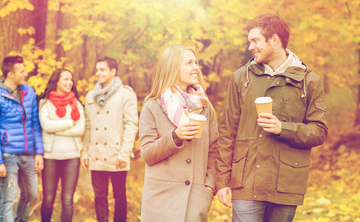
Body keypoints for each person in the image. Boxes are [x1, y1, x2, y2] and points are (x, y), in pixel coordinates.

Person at [216, 14, 328, 222]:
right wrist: (221, 180)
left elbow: (319, 132)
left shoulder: (309, 80)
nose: (250, 46)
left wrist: (283, 128)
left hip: (285, 184)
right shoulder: (241, 77)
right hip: (245, 183)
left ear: (274, 40)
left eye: (255, 40)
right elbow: (227, 132)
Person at [139, 45, 219, 222]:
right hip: (160, 201)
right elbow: (147, 154)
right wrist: (175, 137)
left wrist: (209, 186)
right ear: (173, 68)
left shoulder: (205, 107)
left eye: (196, 62)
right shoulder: (152, 107)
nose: (196, 67)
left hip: (195, 200)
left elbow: (214, 150)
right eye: (189, 63)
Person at [81, 57, 138, 222]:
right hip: (96, 153)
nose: (98, 73)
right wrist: (85, 152)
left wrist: (125, 152)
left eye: (102, 69)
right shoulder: (90, 96)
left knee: (119, 196)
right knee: (99, 196)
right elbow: (88, 127)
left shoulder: (126, 94)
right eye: (97, 69)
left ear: (113, 72)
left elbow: (131, 124)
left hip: (117, 154)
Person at [37, 69, 85, 222]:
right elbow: (47, 126)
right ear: (56, 81)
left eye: (70, 79)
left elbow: (81, 129)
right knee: (48, 199)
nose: (69, 82)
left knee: (67, 200)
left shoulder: (77, 103)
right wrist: (71, 123)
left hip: (72, 158)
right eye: (65, 79)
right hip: (50, 157)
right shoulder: (45, 103)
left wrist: (56, 128)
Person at [0, 56, 44, 221]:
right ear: (10, 74)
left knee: (31, 194)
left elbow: (35, 123)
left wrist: (38, 153)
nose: (25, 74)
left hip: (29, 155)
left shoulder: (29, 92)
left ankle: (21, 219)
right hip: (8, 155)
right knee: (8, 198)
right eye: (21, 71)